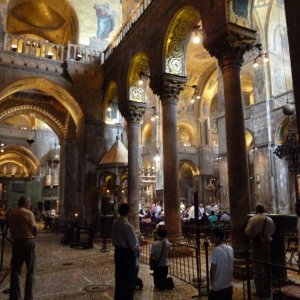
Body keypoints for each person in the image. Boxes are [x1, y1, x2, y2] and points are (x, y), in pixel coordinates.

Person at [9, 196, 38, 300]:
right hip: (27, 242)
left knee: (15, 270)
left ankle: (14, 297)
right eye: (29, 203)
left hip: (16, 242)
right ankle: (28, 296)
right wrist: (34, 235)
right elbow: (34, 228)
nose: (30, 205)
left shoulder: (12, 213)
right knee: (31, 270)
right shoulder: (28, 213)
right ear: (26, 204)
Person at [245, 203, 275, 298]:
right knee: (267, 266)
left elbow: (248, 232)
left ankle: (260, 291)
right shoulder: (269, 219)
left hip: (256, 245)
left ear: (256, 210)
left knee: (257, 267)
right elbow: (273, 231)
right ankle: (268, 290)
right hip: (267, 244)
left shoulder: (253, 219)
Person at [112, 203, 141, 300]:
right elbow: (133, 246)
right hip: (127, 256)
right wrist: (139, 247)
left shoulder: (115, 223)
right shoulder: (128, 226)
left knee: (119, 279)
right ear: (128, 212)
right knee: (128, 281)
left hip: (118, 254)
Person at [209, 227, 234, 300]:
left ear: (219, 237)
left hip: (218, 287)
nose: (211, 238)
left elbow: (212, 270)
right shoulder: (230, 248)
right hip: (228, 285)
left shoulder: (216, 250)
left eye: (212, 236)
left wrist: (212, 284)